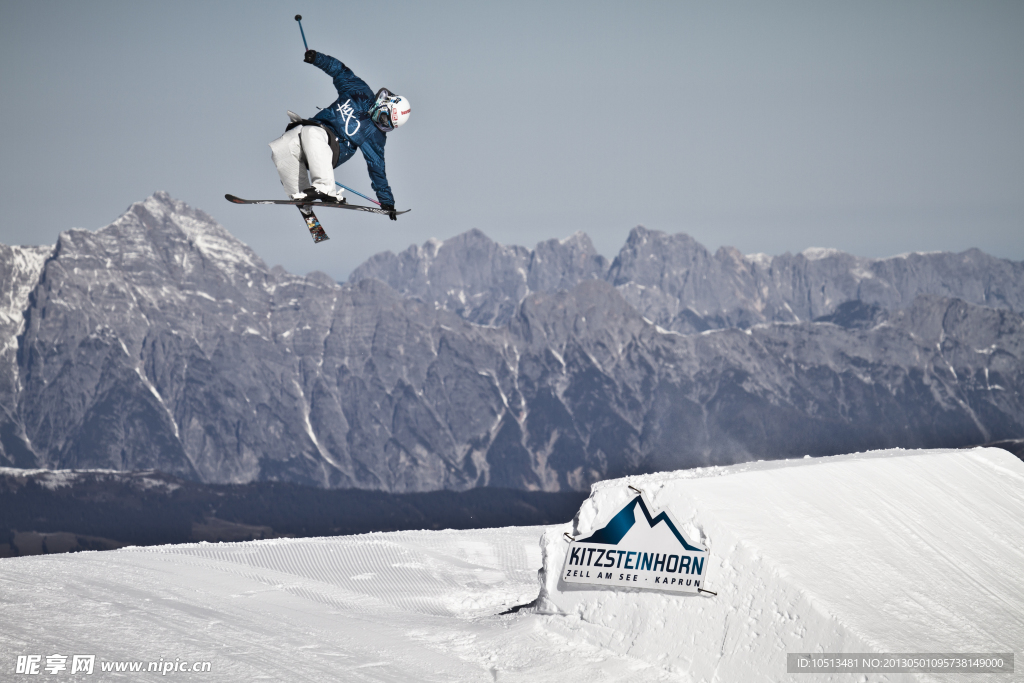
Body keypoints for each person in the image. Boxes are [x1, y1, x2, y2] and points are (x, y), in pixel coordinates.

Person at [269, 49, 410, 220]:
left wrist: (387, 201)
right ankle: (301, 196)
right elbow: (340, 71)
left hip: (334, 148)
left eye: (388, 125)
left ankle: (326, 188)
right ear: (384, 103)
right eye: (384, 117)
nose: (383, 123)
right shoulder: (359, 91)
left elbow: (377, 169)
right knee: (282, 147)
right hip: (315, 130)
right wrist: (317, 59)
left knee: (311, 132)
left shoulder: (375, 135)